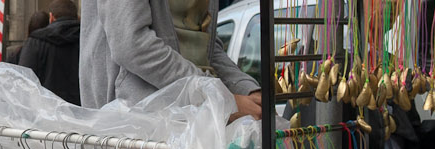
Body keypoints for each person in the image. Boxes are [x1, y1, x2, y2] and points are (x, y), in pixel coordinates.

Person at [78, 0, 260, 118]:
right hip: (138, 122)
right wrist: (218, 97)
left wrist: (246, 89)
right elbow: (132, 44)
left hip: (195, 118)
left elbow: (208, 47)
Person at [15, 0, 82, 105]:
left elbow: (24, 78)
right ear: (76, 16)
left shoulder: (36, 40)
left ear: (51, 17)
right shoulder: (86, 39)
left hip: (46, 112)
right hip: (83, 111)